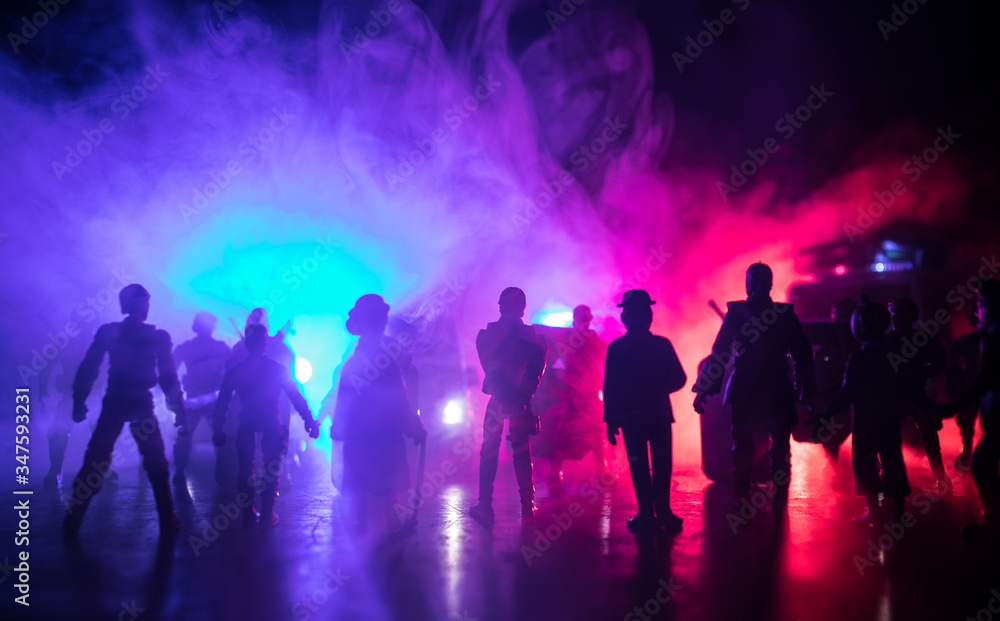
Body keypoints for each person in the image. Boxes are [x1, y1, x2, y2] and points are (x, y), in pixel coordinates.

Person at [693, 263, 815, 520]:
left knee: (752, 448)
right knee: (771, 448)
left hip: (752, 386)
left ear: (749, 284)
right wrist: (807, 392)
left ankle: (745, 501)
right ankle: (766, 500)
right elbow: (803, 356)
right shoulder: (780, 315)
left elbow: (720, 354)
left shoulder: (739, 314)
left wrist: (704, 390)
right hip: (771, 386)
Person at [64, 284, 186, 535]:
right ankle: (167, 517)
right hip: (140, 401)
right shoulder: (156, 336)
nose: (148, 306)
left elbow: (89, 368)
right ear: (140, 304)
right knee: (156, 463)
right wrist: (179, 410)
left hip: (116, 400)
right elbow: (168, 377)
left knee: (96, 459)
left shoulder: (111, 332)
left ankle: (74, 519)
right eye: (146, 301)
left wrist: (79, 401)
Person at [821, 296, 933, 525]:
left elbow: (847, 394)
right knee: (893, 461)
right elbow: (910, 384)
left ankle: (875, 514)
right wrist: (927, 406)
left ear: (859, 326)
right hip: (889, 417)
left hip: (864, 421)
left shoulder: (858, 359)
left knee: (865, 465)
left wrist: (826, 414)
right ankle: (899, 514)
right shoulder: (892, 356)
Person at [330, 294, 425, 533]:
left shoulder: (354, 363)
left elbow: (345, 402)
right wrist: (412, 426)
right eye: (381, 318)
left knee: (363, 490)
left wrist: (339, 428)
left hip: (360, 438)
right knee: (388, 488)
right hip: (383, 437)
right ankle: (387, 532)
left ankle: (363, 534)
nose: (385, 322)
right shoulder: (384, 362)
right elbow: (398, 401)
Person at [213, 323, 319, 527]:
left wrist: (219, 428)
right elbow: (297, 398)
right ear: (264, 343)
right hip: (271, 421)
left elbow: (223, 402)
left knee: (245, 468)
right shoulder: (275, 369)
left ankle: (249, 514)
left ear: (246, 342)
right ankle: (268, 514)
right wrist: (310, 422)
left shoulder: (238, 370)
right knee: (271, 468)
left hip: (248, 420)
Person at [603, 290, 687, 531]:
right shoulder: (661, 345)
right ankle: (664, 512)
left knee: (638, 465)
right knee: (662, 464)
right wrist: (657, 389)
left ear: (625, 318)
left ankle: (646, 515)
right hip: (658, 415)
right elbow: (679, 378)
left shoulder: (617, 348)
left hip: (631, 419)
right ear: (649, 316)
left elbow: (610, 387)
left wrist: (610, 421)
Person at [469, 287, 548, 523]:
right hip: (519, 400)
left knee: (492, 450)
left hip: (503, 399)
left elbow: (491, 366)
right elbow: (534, 373)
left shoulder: (490, 335)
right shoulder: (533, 338)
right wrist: (523, 398)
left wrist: (509, 394)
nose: (502, 308)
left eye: (504, 305)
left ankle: (487, 505)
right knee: (520, 451)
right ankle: (527, 505)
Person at [943, 280, 1000, 540]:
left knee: (982, 463)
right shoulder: (988, 334)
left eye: (980, 304)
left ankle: (994, 523)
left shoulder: (995, 334)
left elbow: (985, 378)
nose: (978, 310)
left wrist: (953, 405)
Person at [534, 305, 609, 491]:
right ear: (576, 321)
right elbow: (542, 331)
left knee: (596, 434)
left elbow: (603, 369)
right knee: (561, 434)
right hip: (570, 396)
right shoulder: (567, 339)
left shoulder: (596, 344)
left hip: (589, 395)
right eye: (581, 320)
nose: (584, 323)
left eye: (586, 320)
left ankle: (601, 470)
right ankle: (555, 472)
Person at [887, 297, 950, 490]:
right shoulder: (890, 340)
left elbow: (939, 362)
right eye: (893, 314)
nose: (894, 318)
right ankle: (889, 473)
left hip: (914, 394)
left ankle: (940, 475)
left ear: (910, 316)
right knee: (889, 435)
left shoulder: (921, 339)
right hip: (898, 395)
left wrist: (921, 370)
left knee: (928, 433)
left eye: (898, 314)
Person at [171, 312, 231, 484]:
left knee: (185, 435)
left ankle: (180, 471)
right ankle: (224, 472)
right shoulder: (221, 348)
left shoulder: (186, 348)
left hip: (196, 399)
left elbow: (169, 370)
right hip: (211, 399)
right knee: (221, 435)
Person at [946, 305, 983, 470]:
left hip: (981, 387)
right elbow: (951, 368)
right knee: (966, 420)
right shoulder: (965, 343)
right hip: (972, 386)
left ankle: (969, 452)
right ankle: (967, 451)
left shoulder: (967, 343)